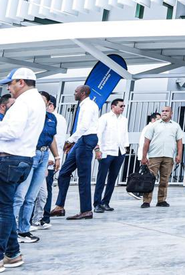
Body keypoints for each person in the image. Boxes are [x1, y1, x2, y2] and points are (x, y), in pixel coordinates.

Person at [0, 68, 46, 269]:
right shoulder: (37, 101)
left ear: (21, 82)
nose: (8, 88)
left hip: (9, 159)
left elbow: (12, 131)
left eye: (10, 83)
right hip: (24, 159)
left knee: (3, 210)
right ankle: (13, 254)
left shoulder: (22, 103)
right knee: (6, 208)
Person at [12, 88, 56, 245]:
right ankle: (11, 232)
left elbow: (51, 138)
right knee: (19, 196)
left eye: (43, 100)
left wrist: (56, 156)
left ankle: (24, 230)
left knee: (31, 197)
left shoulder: (51, 118)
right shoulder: (28, 116)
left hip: (43, 156)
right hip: (30, 155)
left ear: (47, 103)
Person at [50, 85, 99, 220]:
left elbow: (84, 126)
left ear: (83, 93)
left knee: (83, 177)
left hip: (85, 139)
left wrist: (70, 140)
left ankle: (86, 210)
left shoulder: (88, 106)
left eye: (76, 91)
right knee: (64, 173)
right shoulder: (84, 105)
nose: (74, 93)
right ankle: (59, 206)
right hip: (82, 140)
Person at [139, 106, 183, 209]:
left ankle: (161, 200)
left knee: (164, 179)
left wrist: (179, 155)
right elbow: (146, 142)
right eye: (163, 111)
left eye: (166, 111)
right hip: (154, 156)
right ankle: (146, 201)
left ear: (171, 113)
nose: (164, 113)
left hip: (168, 156)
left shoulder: (176, 126)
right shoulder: (153, 126)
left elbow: (179, 142)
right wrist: (144, 157)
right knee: (149, 179)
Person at [92, 98, 129, 213]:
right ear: (113, 106)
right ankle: (97, 203)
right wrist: (97, 149)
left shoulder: (124, 119)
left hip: (119, 152)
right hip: (106, 151)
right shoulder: (105, 118)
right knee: (101, 178)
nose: (123, 108)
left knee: (112, 179)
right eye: (121, 106)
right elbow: (98, 133)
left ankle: (106, 202)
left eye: (124, 106)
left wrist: (125, 148)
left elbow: (125, 134)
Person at [35, 95, 66, 229]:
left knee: (44, 192)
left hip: (47, 158)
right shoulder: (36, 118)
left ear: (50, 104)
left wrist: (56, 157)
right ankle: (37, 219)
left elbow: (53, 139)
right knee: (33, 192)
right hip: (40, 157)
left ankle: (42, 218)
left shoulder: (54, 119)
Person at [128, 112, 160, 200]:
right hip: (146, 155)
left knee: (145, 174)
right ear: (153, 120)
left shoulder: (151, 128)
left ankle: (140, 191)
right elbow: (145, 143)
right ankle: (134, 190)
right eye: (158, 119)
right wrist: (144, 156)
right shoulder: (149, 128)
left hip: (146, 155)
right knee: (143, 174)